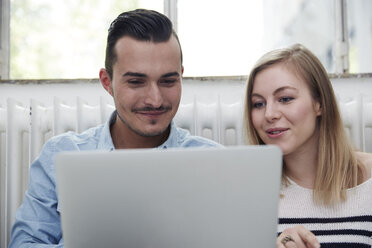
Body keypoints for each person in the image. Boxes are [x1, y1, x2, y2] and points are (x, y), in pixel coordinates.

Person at [9, 9, 222, 247]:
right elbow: (24, 244)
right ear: (107, 82)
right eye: (136, 82)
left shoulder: (215, 162)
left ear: (181, 77)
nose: (155, 99)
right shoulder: (61, 154)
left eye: (168, 81)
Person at [244, 44, 372, 248]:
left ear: (319, 103)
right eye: (258, 103)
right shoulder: (248, 191)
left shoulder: (368, 180)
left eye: (285, 99)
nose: (269, 114)